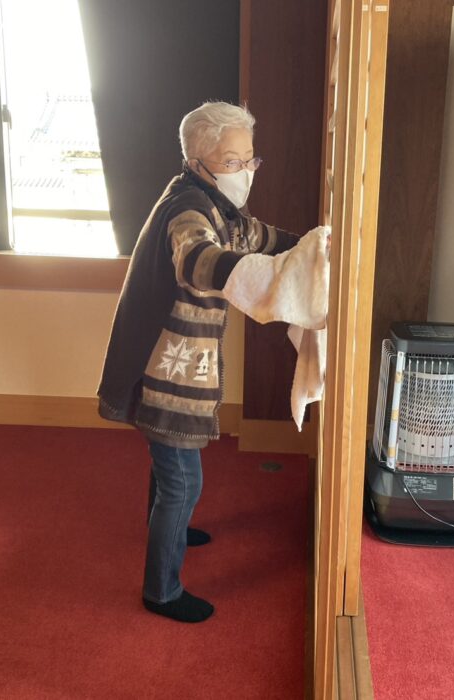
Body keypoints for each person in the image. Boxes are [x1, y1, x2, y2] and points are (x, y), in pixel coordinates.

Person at [97, 101, 299, 623]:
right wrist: (255, 275)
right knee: (183, 480)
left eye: (250, 160)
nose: (245, 172)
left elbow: (256, 235)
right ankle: (161, 591)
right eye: (232, 162)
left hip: (172, 362)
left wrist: (305, 249)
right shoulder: (189, 208)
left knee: (168, 466)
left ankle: (169, 527)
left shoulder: (217, 205)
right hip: (163, 367)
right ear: (198, 162)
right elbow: (196, 259)